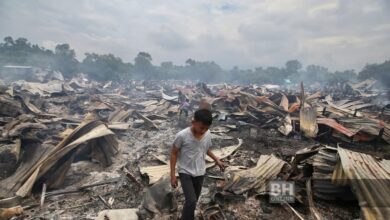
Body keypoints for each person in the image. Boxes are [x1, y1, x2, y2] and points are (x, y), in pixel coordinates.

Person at [170, 109, 224, 220]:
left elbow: (206, 149)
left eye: (206, 128)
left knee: (194, 200)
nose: (203, 131)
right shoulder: (182, 136)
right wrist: (172, 175)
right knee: (191, 200)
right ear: (193, 122)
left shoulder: (207, 134)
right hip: (185, 171)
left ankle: (188, 216)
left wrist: (216, 159)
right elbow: (174, 153)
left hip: (200, 172)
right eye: (201, 127)